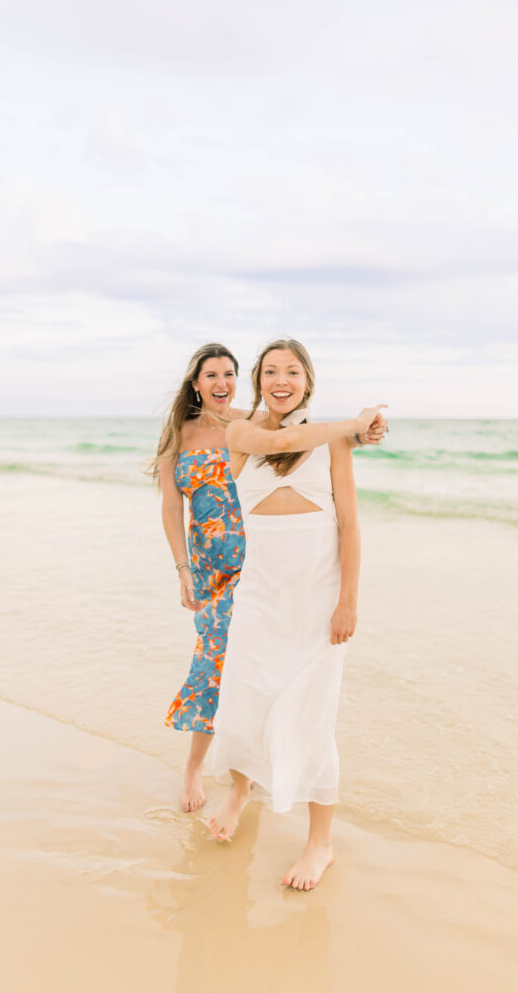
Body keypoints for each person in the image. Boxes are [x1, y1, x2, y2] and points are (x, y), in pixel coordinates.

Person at [154, 342, 386, 814]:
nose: (221, 383)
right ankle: (204, 769)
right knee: (218, 665)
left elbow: (297, 433)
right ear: (195, 383)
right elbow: (170, 505)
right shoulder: (181, 432)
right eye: (211, 375)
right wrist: (182, 567)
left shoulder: (251, 419)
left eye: (229, 374)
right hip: (209, 566)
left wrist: (362, 434)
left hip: (253, 559)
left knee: (236, 666)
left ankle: (245, 777)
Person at [208, 337, 386, 891]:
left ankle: (320, 843)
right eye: (269, 372)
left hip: (316, 597)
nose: (279, 380)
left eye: (291, 371)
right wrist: (353, 424)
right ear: (258, 381)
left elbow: (349, 527)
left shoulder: (334, 445)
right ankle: (240, 790)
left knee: (313, 715)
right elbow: (284, 437)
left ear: (307, 380)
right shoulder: (242, 435)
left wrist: (348, 600)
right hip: (260, 593)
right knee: (244, 696)